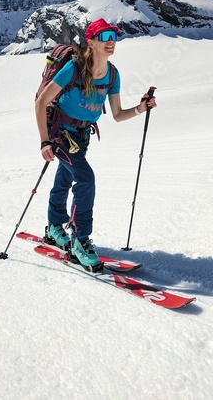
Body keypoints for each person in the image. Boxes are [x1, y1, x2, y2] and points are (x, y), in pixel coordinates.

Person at [35, 18, 157, 271]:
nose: (110, 41)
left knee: (66, 177)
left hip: (82, 137)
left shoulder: (113, 74)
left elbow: (118, 115)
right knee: (85, 179)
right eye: (103, 37)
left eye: (112, 36)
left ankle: (55, 226)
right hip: (61, 134)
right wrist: (44, 141)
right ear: (90, 42)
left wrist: (141, 108)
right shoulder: (73, 68)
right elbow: (41, 103)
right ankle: (80, 239)